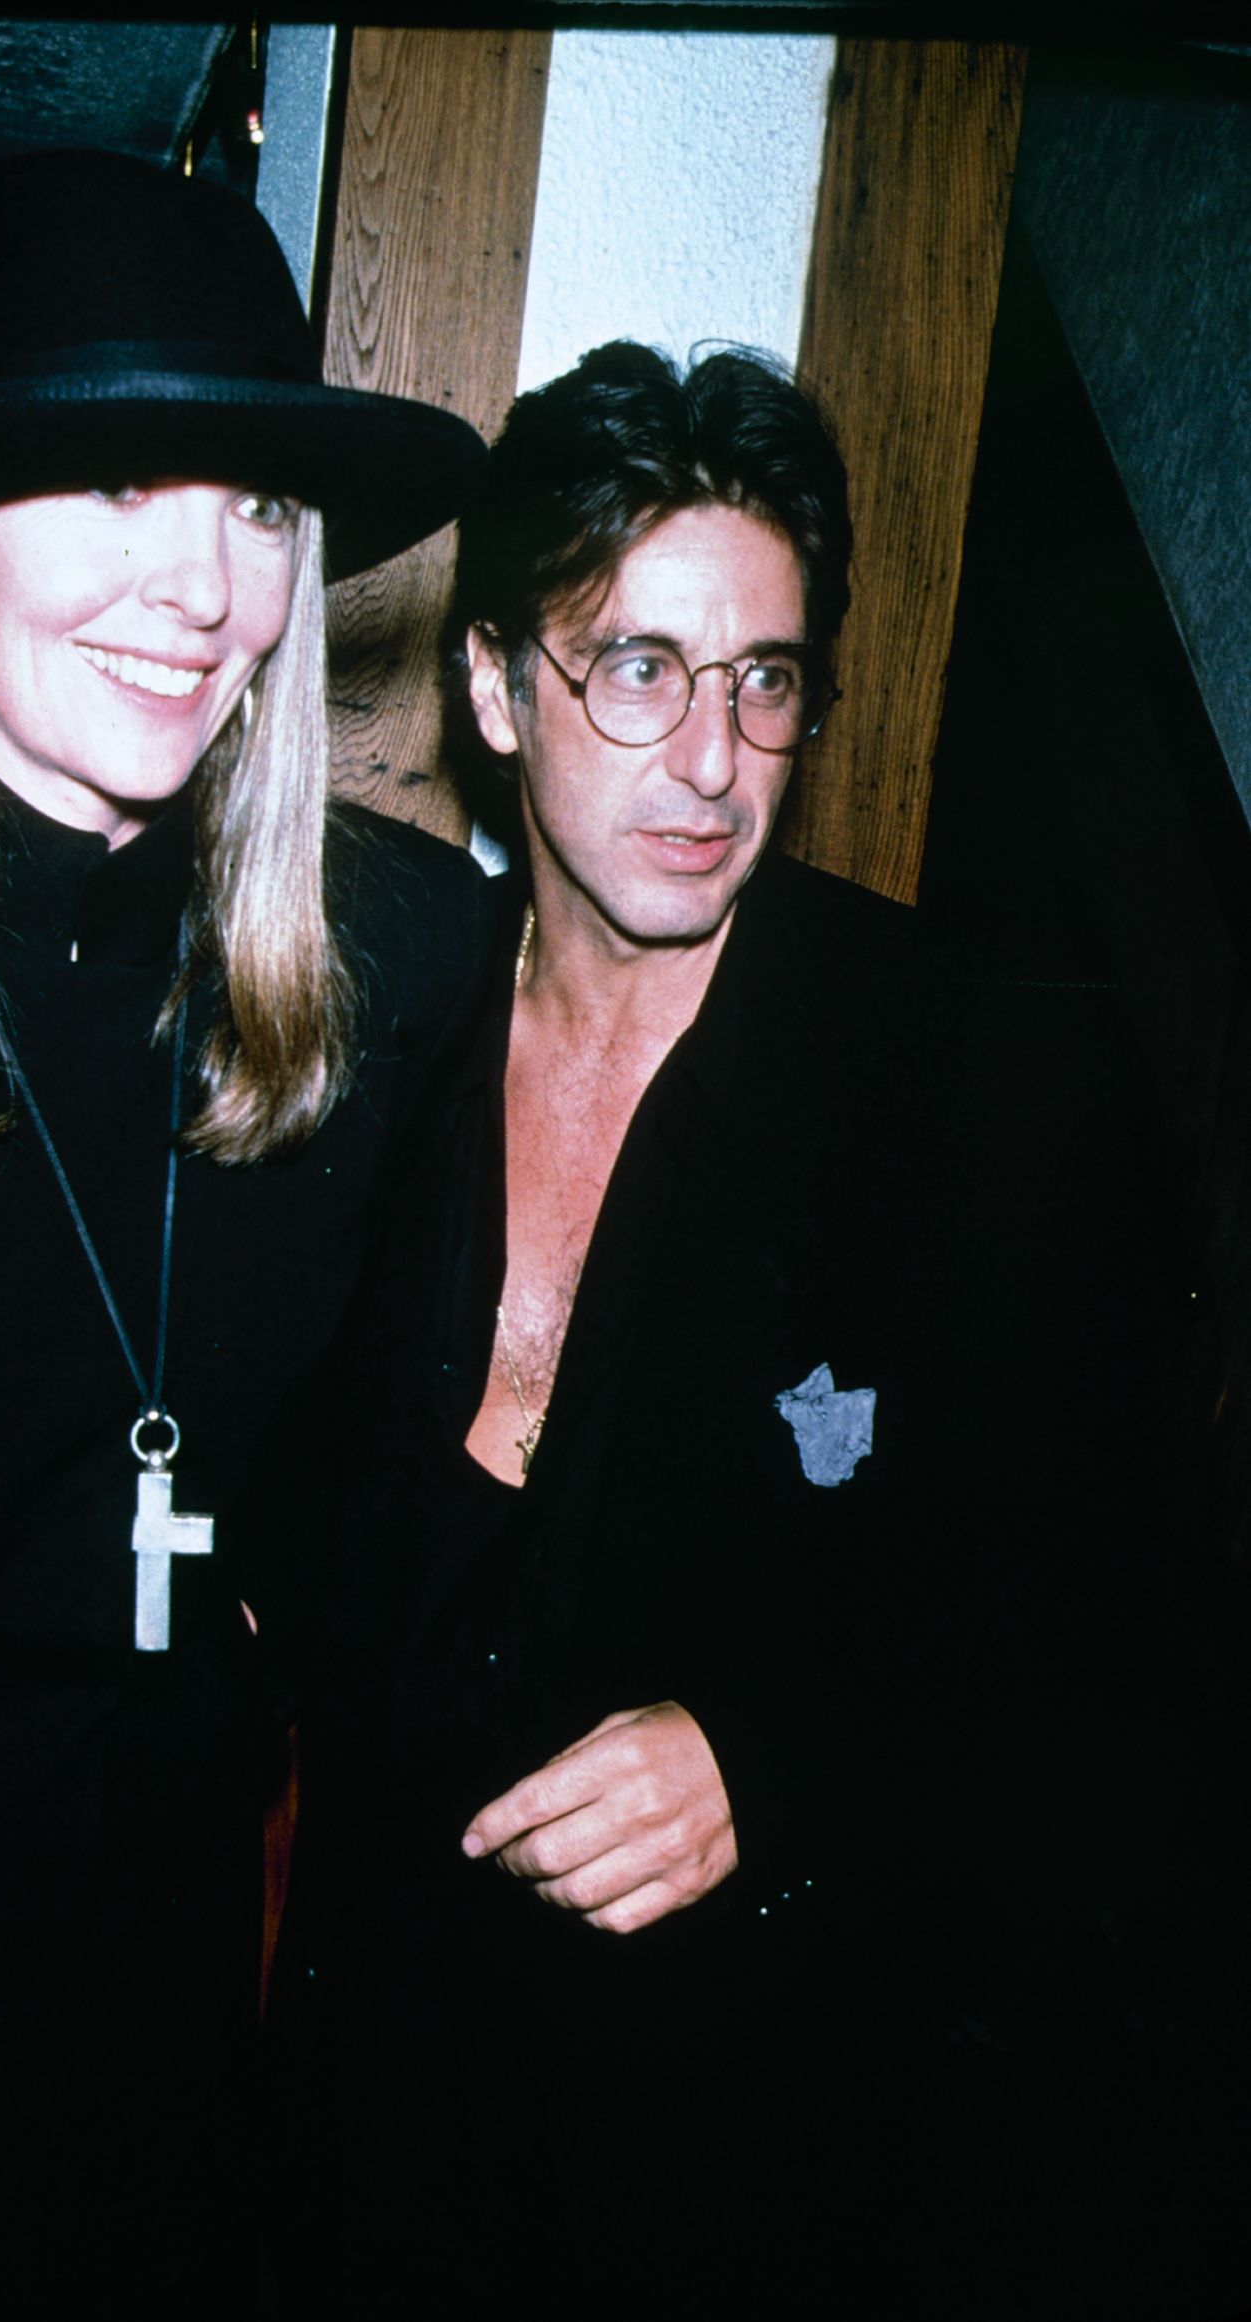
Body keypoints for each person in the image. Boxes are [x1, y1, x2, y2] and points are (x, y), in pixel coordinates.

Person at [265, 343, 1224, 2316]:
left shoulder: (971, 1094)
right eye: (635, 666)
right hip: (368, 2114)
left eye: (763, 680)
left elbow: (1109, 1659)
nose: (709, 759)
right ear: (492, 696)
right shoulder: (368, 1048)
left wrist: (779, 1762)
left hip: (749, 2164)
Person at [0, 148, 488, 2320]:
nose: (207, 587)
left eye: (257, 509)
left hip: (175, 2014)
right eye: (116, 488)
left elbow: (410, 1452)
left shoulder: (403, 952)